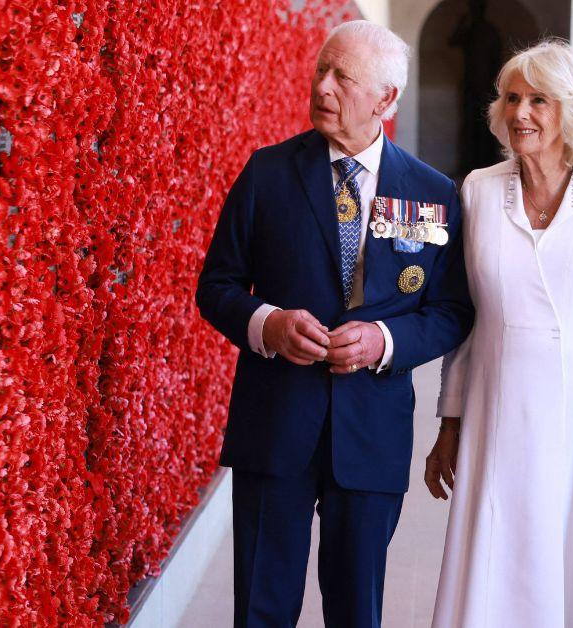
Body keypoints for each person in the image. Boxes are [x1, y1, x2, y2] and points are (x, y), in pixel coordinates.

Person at [195, 20, 474, 628]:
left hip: (371, 433)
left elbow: (453, 311)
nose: (321, 87)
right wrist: (266, 324)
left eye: (342, 78)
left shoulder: (432, 193)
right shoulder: (266, 173)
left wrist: (386, 340)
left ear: (386, 100)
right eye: (321, 70)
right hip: (275, 426)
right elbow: (215, 287)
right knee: (261, 609)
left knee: (356, 609)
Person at [424, 40, 573, 627]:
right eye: (511, 99)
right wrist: (450, 422)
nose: (520, 113)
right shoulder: (477, 190)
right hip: (498, 406)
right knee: (503, 549)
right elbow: (466, 317)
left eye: (539, 100)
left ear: (570, 110)